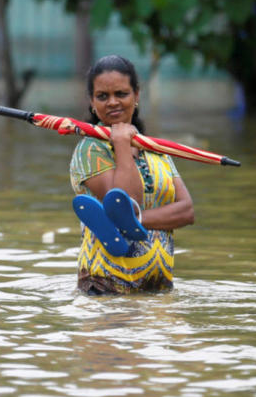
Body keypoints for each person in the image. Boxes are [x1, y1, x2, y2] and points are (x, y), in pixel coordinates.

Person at [69, 55, 194, 294]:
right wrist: (123, 145)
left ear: (136, 95)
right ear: (92, 102)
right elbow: (126, 200)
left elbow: (187, 211)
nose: (112, 102)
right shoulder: (90, 149)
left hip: (157, 289)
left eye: (121, 94)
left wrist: (133, 221)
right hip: (105, 289)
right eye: (102, 96)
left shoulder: (157, 151)